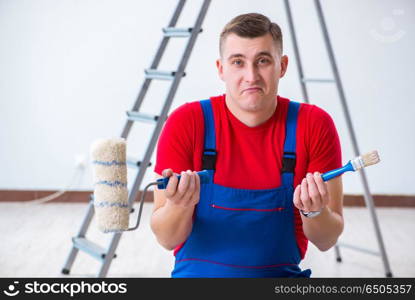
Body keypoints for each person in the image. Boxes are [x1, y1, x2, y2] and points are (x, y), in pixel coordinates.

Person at [150, 13, 344, 278]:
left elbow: (327, 240)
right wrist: (179, 205)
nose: (251, 76)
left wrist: (315, 211)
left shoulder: (313, 125)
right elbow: (166, 238)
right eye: (238, 62)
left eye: (263, 61)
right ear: (221, 68)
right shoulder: (186, 122)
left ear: (282, 66)